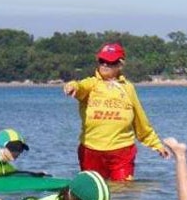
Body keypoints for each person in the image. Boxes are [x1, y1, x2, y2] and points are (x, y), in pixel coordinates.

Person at [63, 42, 170, 181]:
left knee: (123, 190)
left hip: (122, 151)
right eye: (102, 61)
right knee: (92, 194)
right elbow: (80, 87)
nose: (105, 65)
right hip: (91, 150)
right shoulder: (92, 84)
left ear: (120, 64)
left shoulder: (128, 88)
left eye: (110, 62)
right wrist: (72, 86)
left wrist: (156, 144)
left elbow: (140, 121)